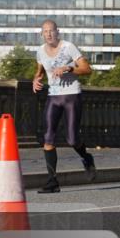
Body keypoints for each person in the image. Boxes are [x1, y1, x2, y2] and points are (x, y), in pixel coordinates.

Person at [32, 20, 95, 193]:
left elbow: (87, 69)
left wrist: (68, 68)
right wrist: (36, 80)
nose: (49, 34)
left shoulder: (69, 47)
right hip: (53, 96)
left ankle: (86, 158)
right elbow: (40, 71)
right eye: (45, 31)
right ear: (42, 34)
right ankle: (52, 181)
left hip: (71, 96)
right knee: (48, 137)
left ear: (57, 32)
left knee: (72, 139)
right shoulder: (40, 51)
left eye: (51, 31)